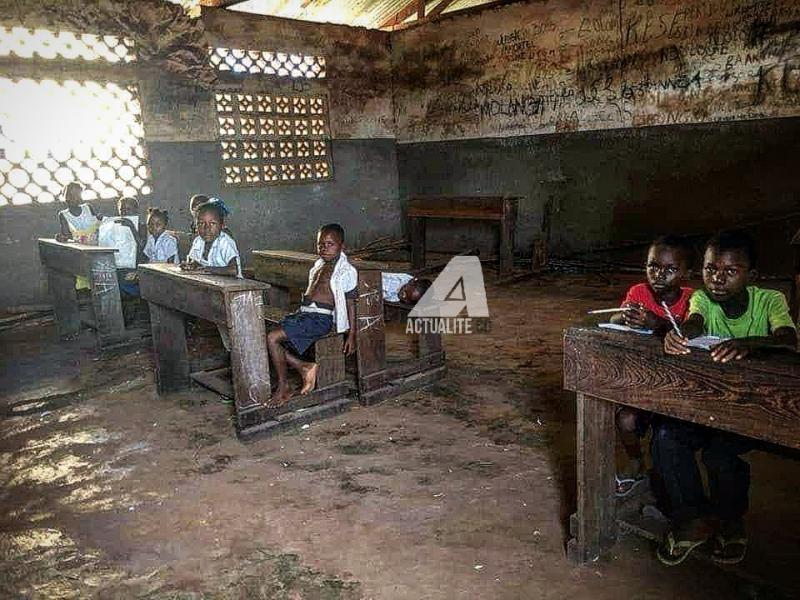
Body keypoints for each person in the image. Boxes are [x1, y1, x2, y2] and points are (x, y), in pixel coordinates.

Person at [658, 231, 797, 566]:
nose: (717, 279)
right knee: (666, 438)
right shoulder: (703, 299)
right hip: (707, 402)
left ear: (752, 275)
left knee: (720, 454)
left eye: (730, 271)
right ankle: (693, 519)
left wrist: (749, 343)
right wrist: (677, 337)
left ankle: (730, 519)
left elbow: (788, 340)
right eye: (710, 270)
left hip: (754, 405)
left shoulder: (770, 300)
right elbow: (694, 323)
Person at [609, 235, 694, 495]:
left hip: (678, 386)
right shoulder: (638, 292)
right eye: (652, 266)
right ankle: (636, 461)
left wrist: (655, 323)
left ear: (686, 272)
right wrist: (622, 318)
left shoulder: (693, 299)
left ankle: (666, 481)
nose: (659, 274)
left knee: (666, 437)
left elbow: (689, 334)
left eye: (670, 269)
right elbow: (616, 316)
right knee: (625, 419)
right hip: (643, 380)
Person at [267, 224, 357, 407]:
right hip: (305, 315)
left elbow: (350, 303)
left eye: (330, 244)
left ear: (342, 246)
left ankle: (283, 387)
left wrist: (352, 334)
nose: (324, 248)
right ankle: (304, 366)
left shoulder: (347, 271)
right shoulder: (318, 265)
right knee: (267, 335)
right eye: (320, 244)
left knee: (272, 338)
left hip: (320, 319)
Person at [56, 182, 102, 291]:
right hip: (80, 251)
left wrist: (99, 219)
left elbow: (97, 223)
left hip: (97, 247)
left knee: (99, 277)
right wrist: (61, 238)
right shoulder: (63, 215)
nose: (74, 198)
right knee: (84, 279)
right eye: (70, 195)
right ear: (65, 197)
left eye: (77, 195)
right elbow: (66, 235)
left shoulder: (88, 207)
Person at [98, 196, 144, 297]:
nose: (124, 213)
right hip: (119, 266)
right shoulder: (115, 226)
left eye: (128, 209)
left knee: (121, 283)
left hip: (135, 267)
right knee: (106, 280)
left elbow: (142, 247)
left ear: (136, 210)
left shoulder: (141, 226)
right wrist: (104, 222)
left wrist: (132, 227)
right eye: (121, 209)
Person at [181, 200, 241, 277]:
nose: (207, 228)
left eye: (212, 223)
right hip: (211, 284)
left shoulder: (225, 242)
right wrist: (191, 265)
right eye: (201, 223)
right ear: (196, 226)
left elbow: (234, 270)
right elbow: (196, 262)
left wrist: (206, 269)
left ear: (222, 225)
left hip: (233, 287)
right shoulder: (198, 241)